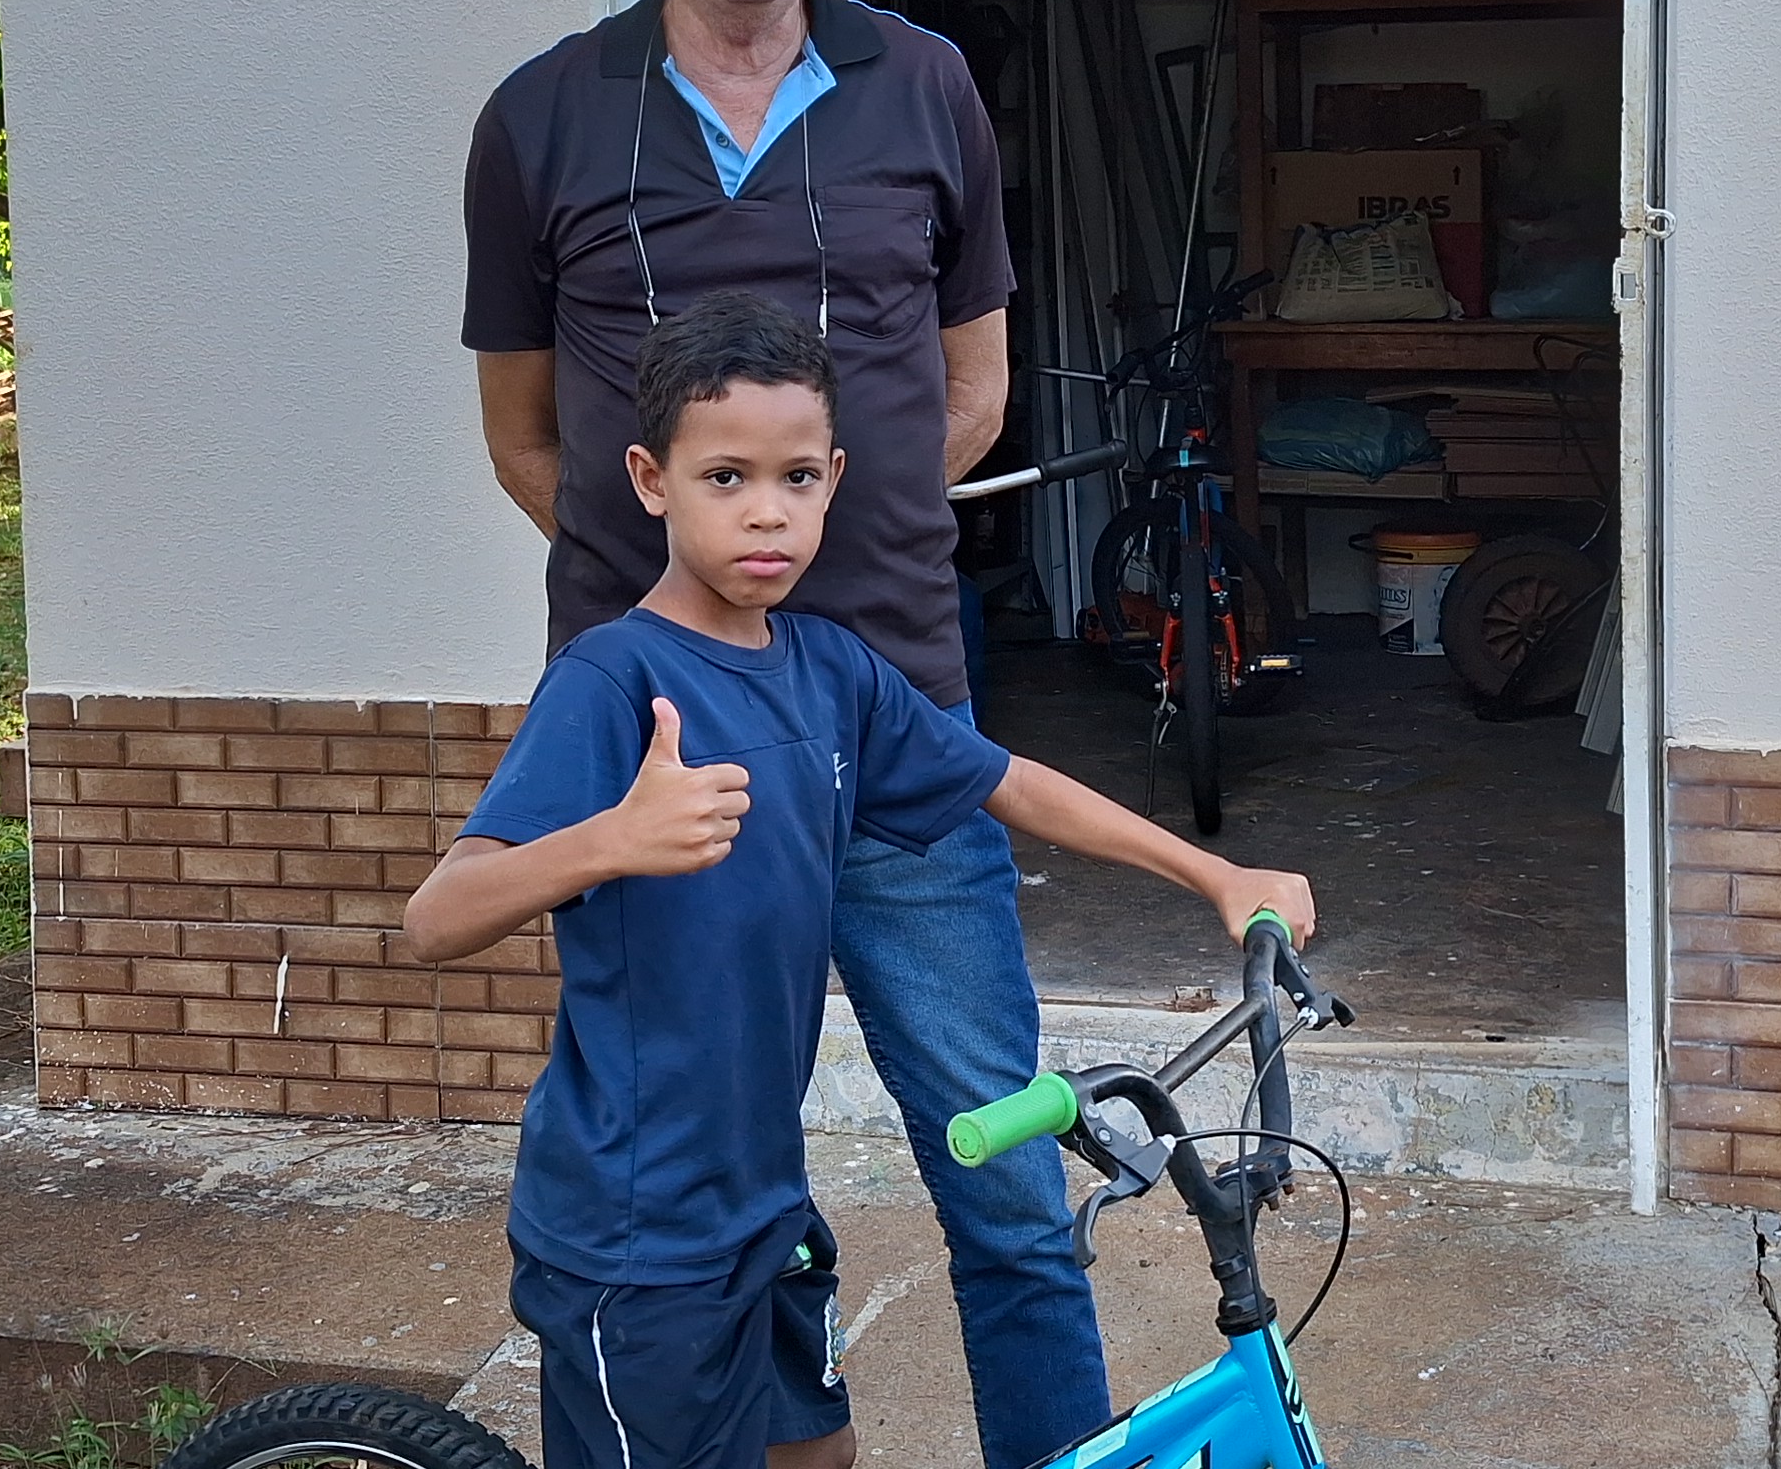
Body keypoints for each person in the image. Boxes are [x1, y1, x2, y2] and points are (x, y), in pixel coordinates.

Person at [461, 0, 1099, 1465]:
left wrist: (827, 568)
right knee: (700, 1182)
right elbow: (524, 437)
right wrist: (698, 620)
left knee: (1012, 1195)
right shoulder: (542, 118)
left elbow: (973, 388)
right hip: (668, 770)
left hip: (897, 737)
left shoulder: (929, 86)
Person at [407, 294, 1313, 1469]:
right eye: (725, 477)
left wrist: (1212, 871)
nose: (767, 511)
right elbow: (439, 917)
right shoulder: (614, 679)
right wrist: (611, 840)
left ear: (834, 480)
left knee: (819, 1455)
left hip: (766, 1208)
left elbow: (1010, 783)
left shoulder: (830, 671)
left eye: (796, 477)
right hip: (639, 1234)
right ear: (650, 481)